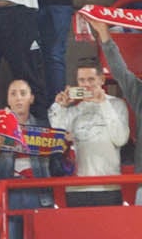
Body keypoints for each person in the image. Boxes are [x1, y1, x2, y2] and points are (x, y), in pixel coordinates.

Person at [47, 58, 131, 205]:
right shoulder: (73, 109)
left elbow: (121, 139)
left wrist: (103, 103)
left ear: (102, 80)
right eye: (82, 80)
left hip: (108, 186)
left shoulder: (117, 105)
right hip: (76, 188)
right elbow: (55, 134)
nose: (86, 85)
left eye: (91, 79)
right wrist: (59, 105)